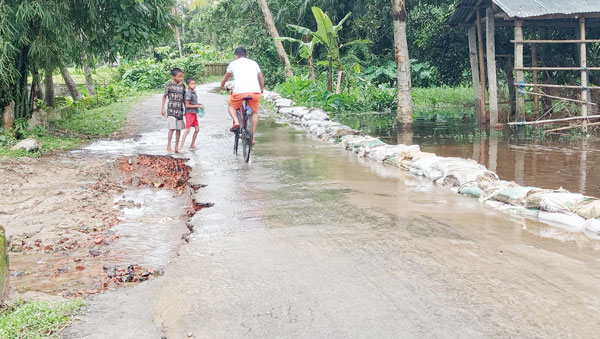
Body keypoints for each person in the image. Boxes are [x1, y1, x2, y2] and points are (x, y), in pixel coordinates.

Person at [220, 46, 264, 144]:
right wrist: (261, 89)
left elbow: (225, 78)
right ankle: (252, 138)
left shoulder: (233, 64)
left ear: (236, 56)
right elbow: (260, 77)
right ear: (246, 55)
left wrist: (222, 86)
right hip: (254, 93)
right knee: (254, 112)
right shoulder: (254, 63)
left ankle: (236, 121)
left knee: (231, 106)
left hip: (239, 93)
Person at [162, 68, 186, 153]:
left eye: (181, 77)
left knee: (178, 129)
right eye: (179, 77)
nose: (181, 78)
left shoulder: (182, 86)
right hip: (171, 111)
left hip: (180, 111)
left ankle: (176, 147)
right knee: (171, 129)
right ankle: (169, 146)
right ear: (173, 77)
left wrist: (186, 109)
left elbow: (184, 99)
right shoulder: (169, 85)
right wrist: (163, 108)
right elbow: (164, 96)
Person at [179, 77, 203, 151]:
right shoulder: (188, 93)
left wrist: (197, 104)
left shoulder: (193, 92)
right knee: (187, 130)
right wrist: (197, 106)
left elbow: (192, 103)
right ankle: (181, 147)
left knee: (197, 129)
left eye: (194, 83)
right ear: (188, 85)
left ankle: (192, 145)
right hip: (189, 114)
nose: (194, 85)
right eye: (192, 84)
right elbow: (187, 105)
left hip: (194, 113)